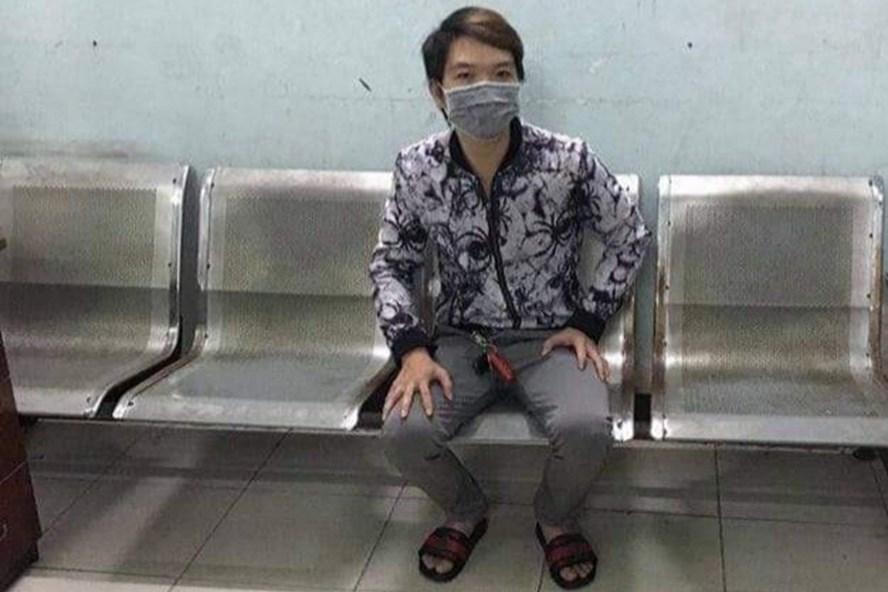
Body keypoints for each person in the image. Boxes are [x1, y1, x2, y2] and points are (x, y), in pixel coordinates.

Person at [369, 6, 650, 589]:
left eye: (501, 74)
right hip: (461, 341)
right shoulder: (417, 169)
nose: (486, 89)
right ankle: (466, 509)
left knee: (586, 428)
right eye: (466, 76)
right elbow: (391, 262)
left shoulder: (567, 161)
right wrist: (411, 350)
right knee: (403, 432)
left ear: (519, 82)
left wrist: (588, 321)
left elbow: (630, 235)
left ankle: (555, 517)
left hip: (551, 340)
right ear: (438, 91)